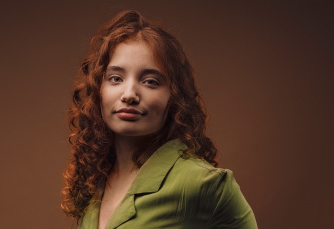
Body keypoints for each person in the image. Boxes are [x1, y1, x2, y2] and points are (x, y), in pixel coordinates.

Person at [61, 10, 257, 229]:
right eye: (115, 78)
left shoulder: (204, 184)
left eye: (150, 82)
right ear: (98, 90)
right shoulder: (93, 184)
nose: (129, 94)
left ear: (174, 98)